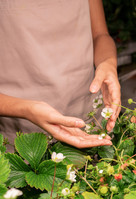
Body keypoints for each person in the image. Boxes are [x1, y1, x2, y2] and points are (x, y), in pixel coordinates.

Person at [0, 0, 121, 150]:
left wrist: (108, 63)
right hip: (20, 135)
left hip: (88, 116)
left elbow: (100, 35)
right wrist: (26, 109)